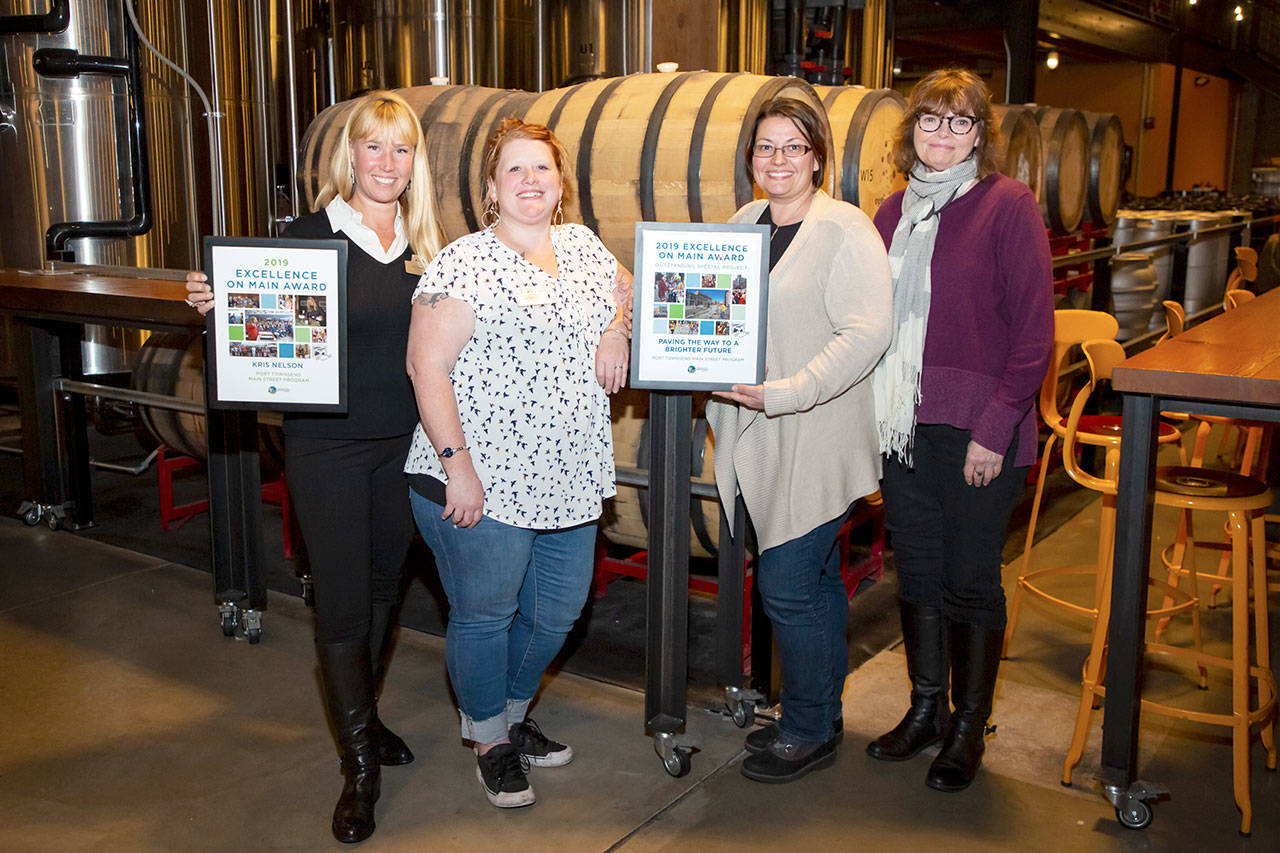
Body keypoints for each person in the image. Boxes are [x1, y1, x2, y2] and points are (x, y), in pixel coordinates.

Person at [185, 90, 444, 842]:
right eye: (374, 146)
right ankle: (359, 766)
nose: (387, 163)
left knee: (385, 591)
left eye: (401, 149)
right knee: (340, 603)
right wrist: (219, 302)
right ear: (350, 155)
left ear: (413, 161)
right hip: (326, 447)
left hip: (405, 446)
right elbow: (259, 331)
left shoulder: (429, 245)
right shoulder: (307, 236)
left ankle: (366, 714)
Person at [403, 118, 632, 809]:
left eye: (543, 169)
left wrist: (618, 327)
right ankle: (491, 742)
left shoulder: (585, 247)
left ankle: (506, 712)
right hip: (481, 476)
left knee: (559, 611)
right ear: (492, 190)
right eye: (515, 170)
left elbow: (634, 289)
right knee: (486, 614)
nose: (530, 181)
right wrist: (458, 466)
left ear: (560, 184)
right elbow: (426, 365)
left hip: (567, 474)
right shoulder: (463, 261)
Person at [865, 68, 1053, 792]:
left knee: (972, 580)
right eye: (931, 121)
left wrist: (995, 426)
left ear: (981, 134)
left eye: (959, 122)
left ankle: (969, 726)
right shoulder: (890, 214)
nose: (942, 135)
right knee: (916, 571)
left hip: (979, 430)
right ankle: (925, 709)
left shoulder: (1008, 206)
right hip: (901, 425)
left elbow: (1035, 333)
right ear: (911, 129)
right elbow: (869, 320)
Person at [707, 97, 893, 784]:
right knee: (814, 584)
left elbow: (866, 334)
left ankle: (809, 724)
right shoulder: (742, 223)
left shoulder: (845, 229)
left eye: (792, 147)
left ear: (817, 155)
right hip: (758, 431)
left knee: (785, 585)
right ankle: (823, 710)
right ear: (750, 158)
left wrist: (788, 391)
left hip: (816, 429)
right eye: (765, 147)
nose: (777, 160)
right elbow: (710, 309)